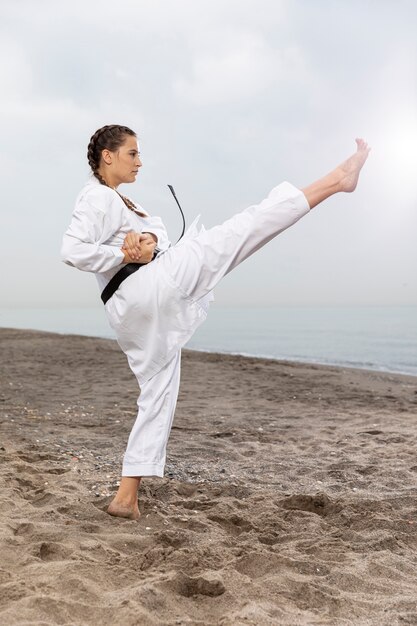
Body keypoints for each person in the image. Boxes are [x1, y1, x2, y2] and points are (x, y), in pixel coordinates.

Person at [61, 124, 370, 520]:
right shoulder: (97, 196)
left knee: (158, 394)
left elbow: (155, 229)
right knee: (237, 232)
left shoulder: (121, 201)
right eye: (132, 153)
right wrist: (125, 257)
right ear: (108, 156)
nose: (140, 161)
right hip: (146, 286)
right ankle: (337, 180)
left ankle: (126, 498)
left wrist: (149, 240)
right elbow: (72, 249)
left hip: (131, 308)